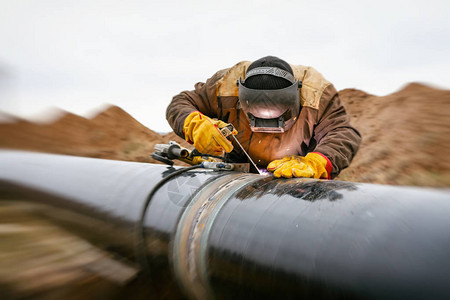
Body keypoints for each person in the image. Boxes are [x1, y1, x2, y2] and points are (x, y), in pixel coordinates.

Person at [166, 56, 361, 179]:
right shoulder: (224, 87)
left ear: (297, 95)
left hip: (296, 179)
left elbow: (343, 132)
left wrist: (318, 162)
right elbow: (180, 103)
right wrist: (194, 123)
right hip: (238, 173)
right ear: (241, 96)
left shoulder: (317, 95)